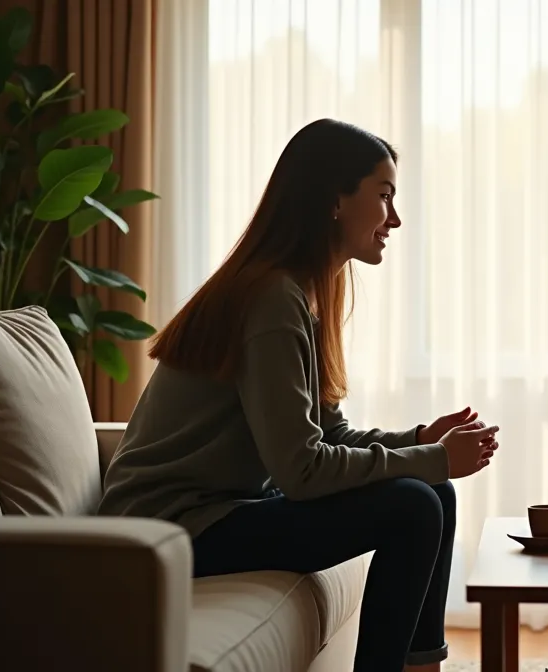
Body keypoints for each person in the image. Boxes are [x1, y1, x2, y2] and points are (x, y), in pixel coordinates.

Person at [97, 118, 499, 672]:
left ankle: (421, 666)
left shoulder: (302, 292)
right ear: (334, 200)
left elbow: (329, 434)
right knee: (414, 505)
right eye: (384, 195)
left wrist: (421, 440)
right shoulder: (271, 299)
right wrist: (432, 457)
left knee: (435, 492)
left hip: (220, 510)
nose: (395, 218)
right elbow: (302, 471)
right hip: (170, 527)